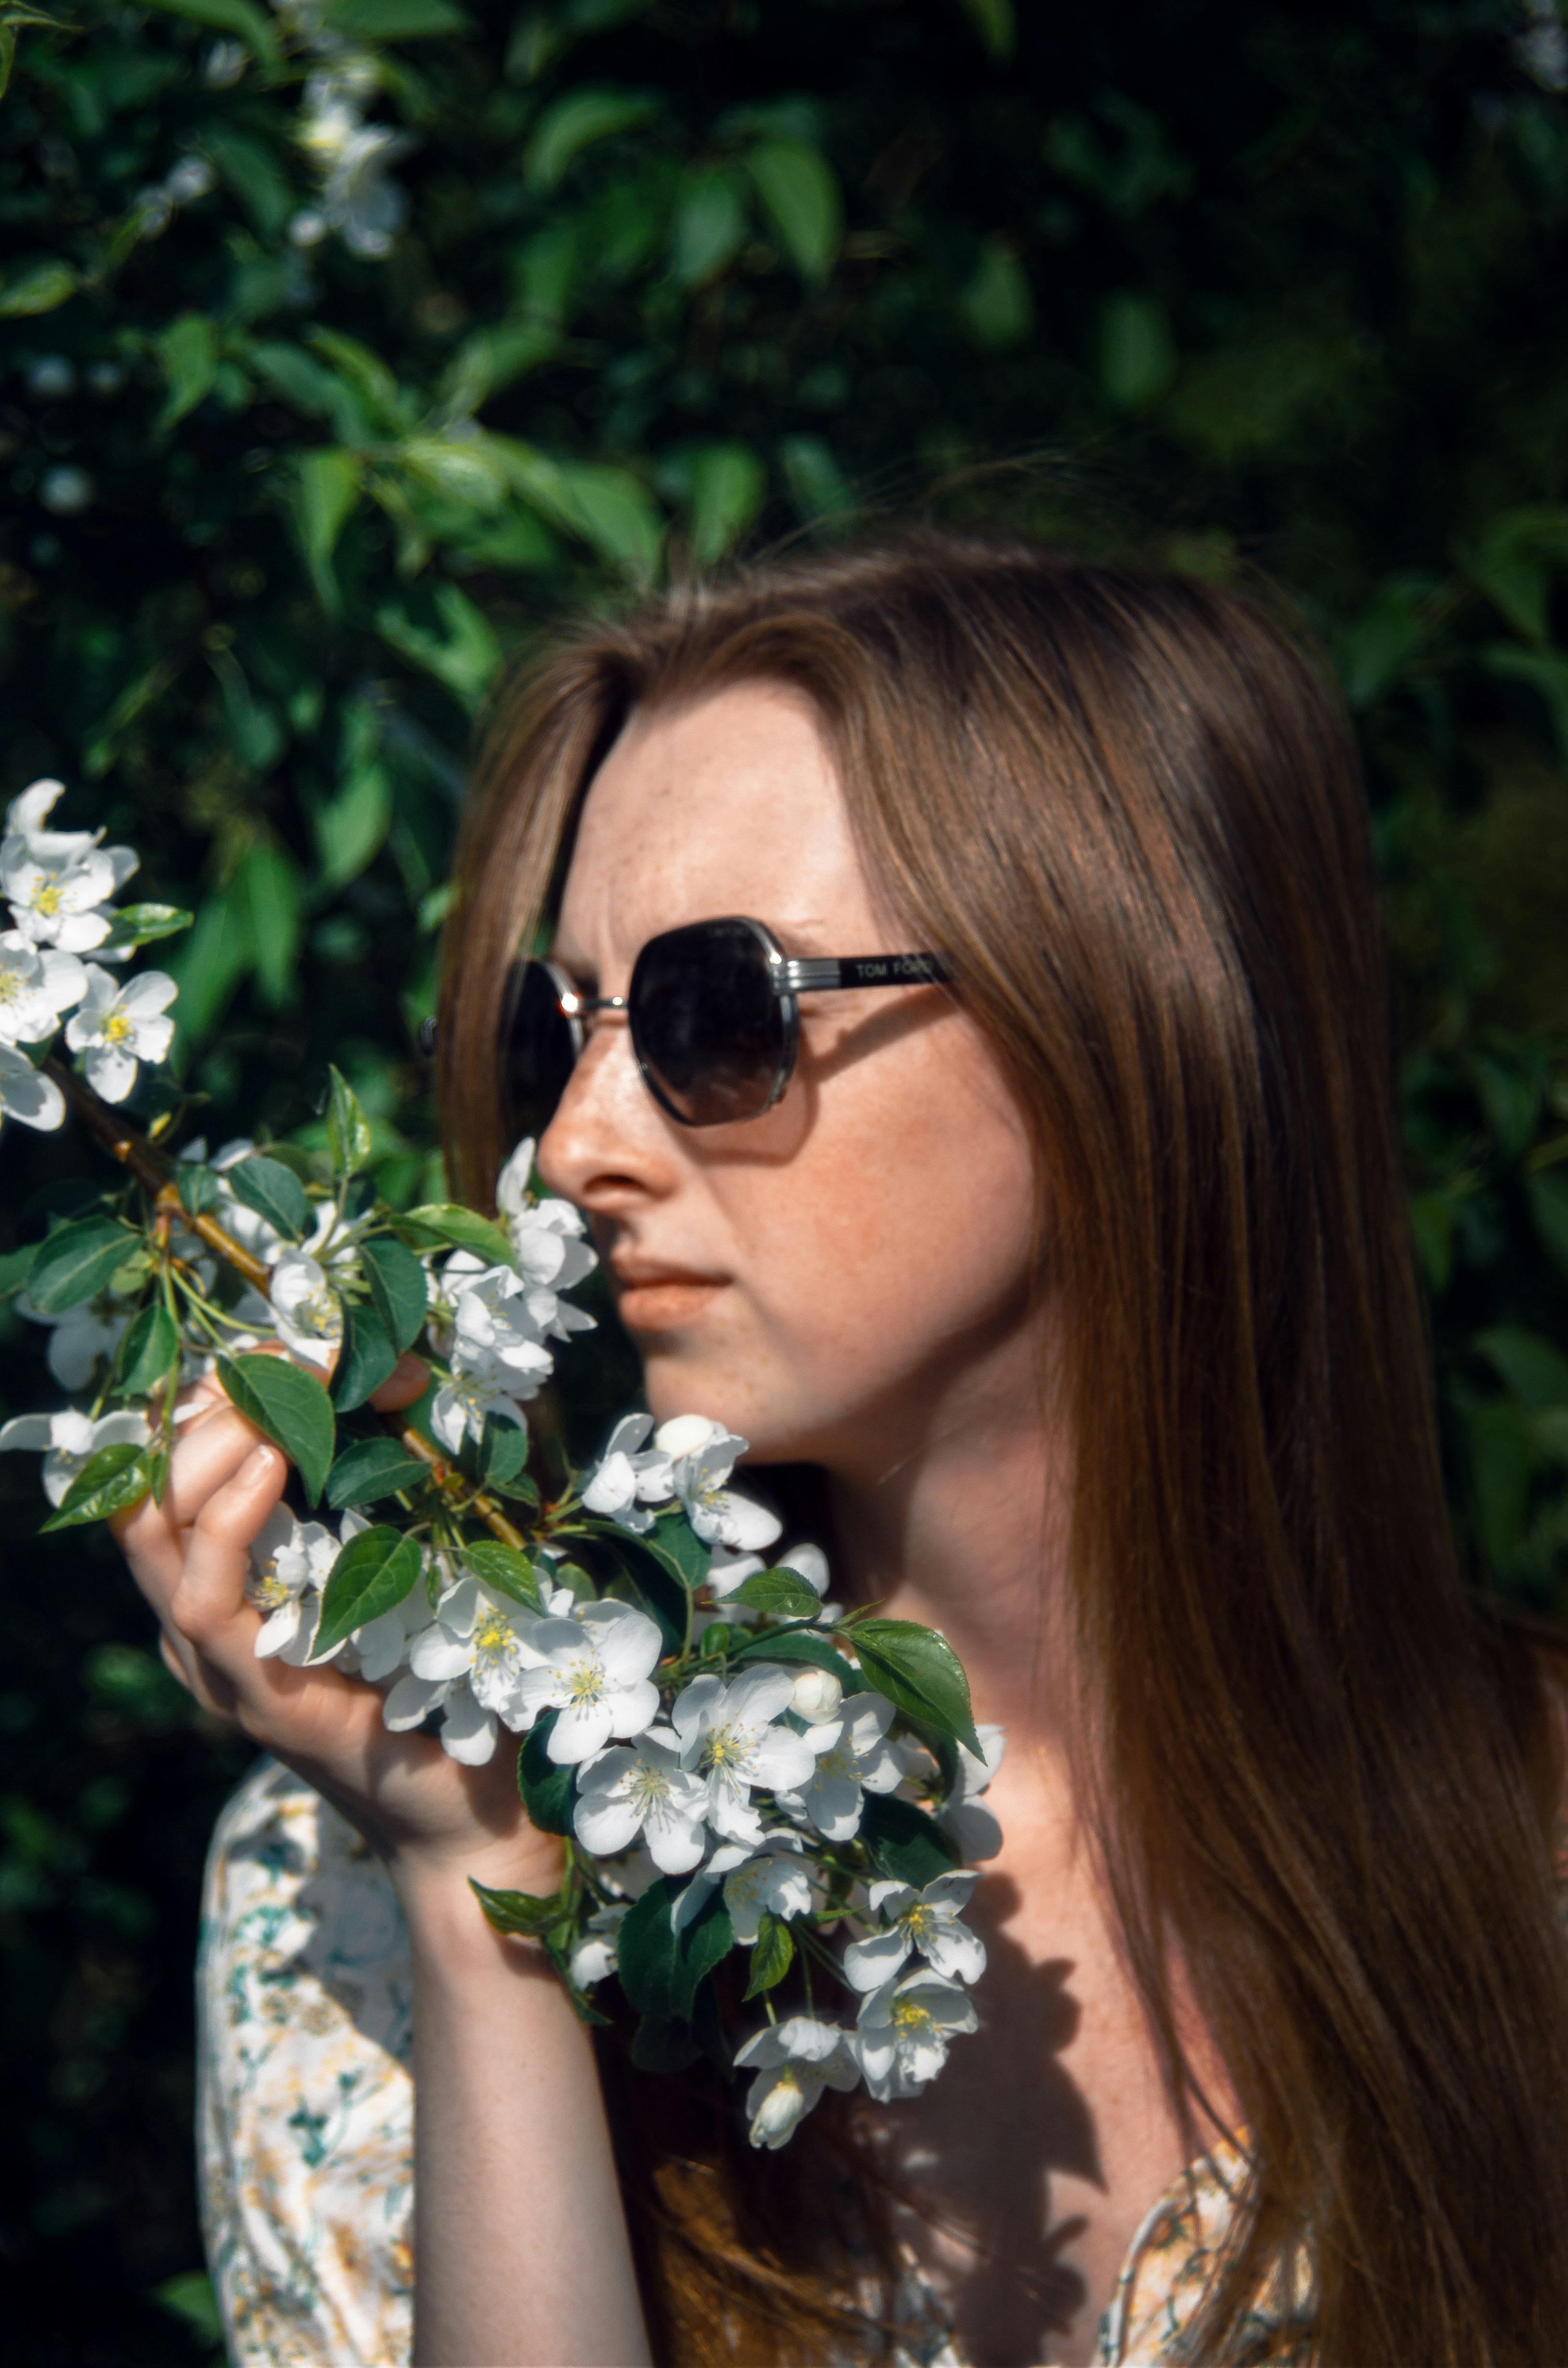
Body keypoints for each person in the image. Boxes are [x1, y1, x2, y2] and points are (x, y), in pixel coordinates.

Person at [119, 531, 1568, 2368]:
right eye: (550, 1030)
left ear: (1127, 1005)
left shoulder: (1539, 1863)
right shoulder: (352, 1887)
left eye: (724, 1009)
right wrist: (485, 1919)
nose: (572, 1152)